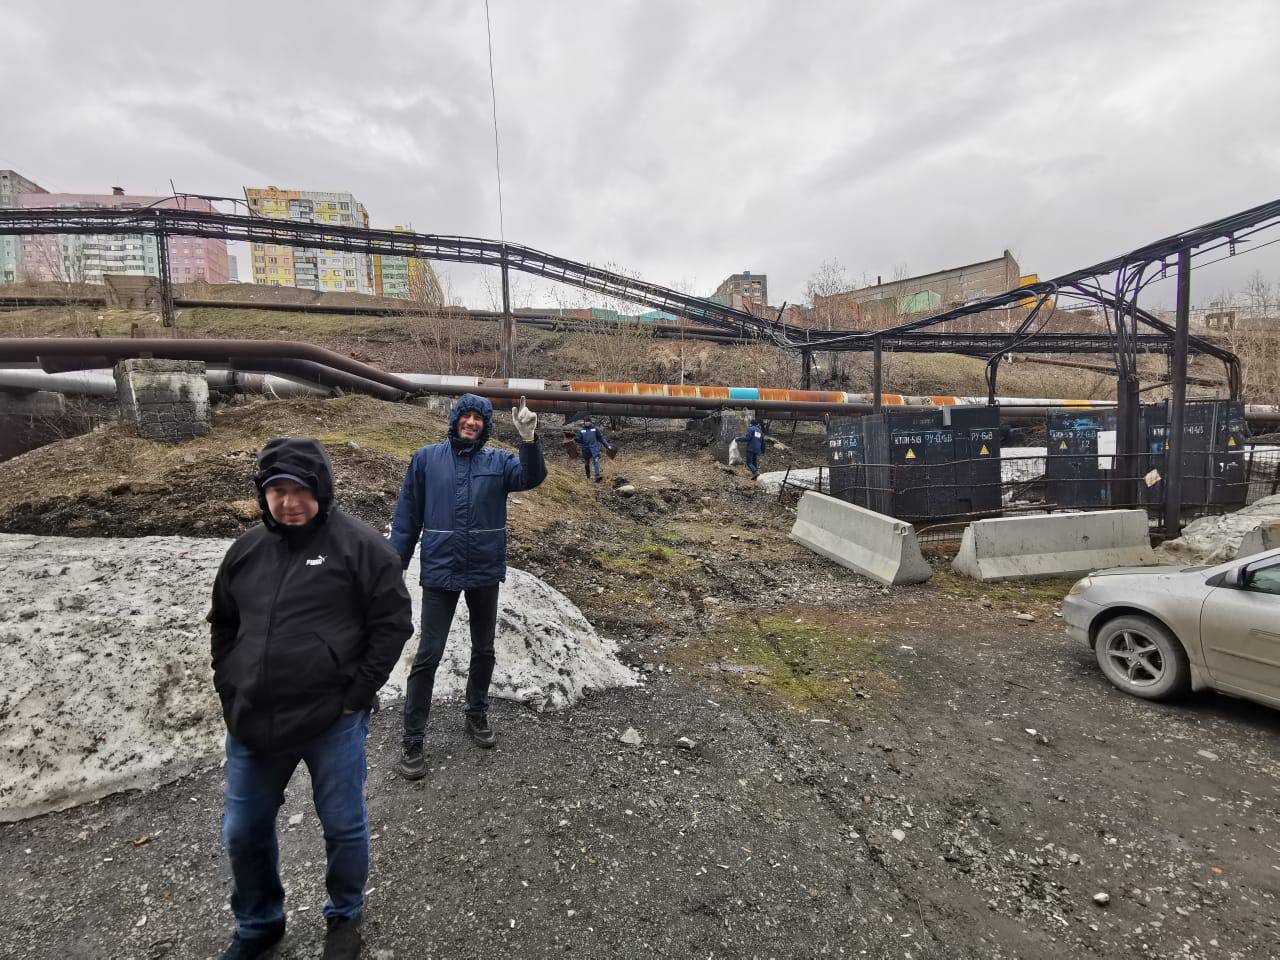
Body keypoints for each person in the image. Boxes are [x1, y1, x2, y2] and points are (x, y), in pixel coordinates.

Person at [208, 438, 414, 960]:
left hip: (332, 720)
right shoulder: (246, 550)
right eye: (277, 490)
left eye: (299, 489)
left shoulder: (361, 547)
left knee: (343, 826)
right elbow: (225, 625)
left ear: (320, 489)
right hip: (253, 719)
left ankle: (344, 917)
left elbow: (392, 625)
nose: (289, 501)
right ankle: (258, 923)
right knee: (243, 830)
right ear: (263, 494)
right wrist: (229, 688)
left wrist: (356, 695)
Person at [390, 393, 546, 779]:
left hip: (483, 570)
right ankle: (413, 738)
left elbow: (531, 477)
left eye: (479, 418)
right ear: (455, 419)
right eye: (466, 415)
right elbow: (407, 518)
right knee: (429, 652)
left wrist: (528, 440)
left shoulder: (499, 462)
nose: (472, 422)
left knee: (484, 648)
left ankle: (475, 714)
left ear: (486, 425)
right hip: (441, 572)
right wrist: (391, 570)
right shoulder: (426, 459)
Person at [574, 414, 613, 482]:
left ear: (591, 422)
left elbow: (601, 439)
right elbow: (578, 439)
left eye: (588, 421)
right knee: (586, 463)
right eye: (586, 421)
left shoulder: (595, 429)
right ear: (584, 422)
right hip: (586, 449)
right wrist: (576, 438)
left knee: (596, 461)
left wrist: (607, 446)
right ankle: (588, 476)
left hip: (594, 448)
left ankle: (597, 476)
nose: (587, 422)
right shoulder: (581, 430)